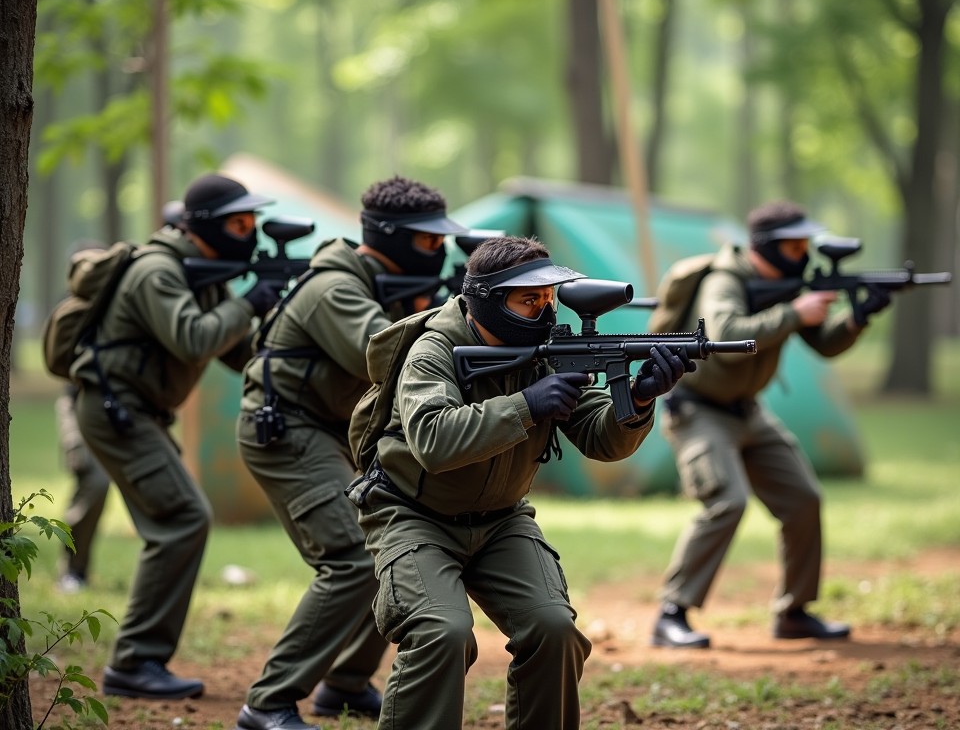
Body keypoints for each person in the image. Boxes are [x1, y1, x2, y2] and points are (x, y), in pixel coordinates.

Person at [345, 235, 696, 730]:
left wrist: (638, 400)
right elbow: (433, 440)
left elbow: (601, 441)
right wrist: (527, 404)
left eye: (549, 298)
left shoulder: (545, 352)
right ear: (488, 300)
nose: (545, 310)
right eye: (529, 299)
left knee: (554, 630)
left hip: (502, 521)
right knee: (442, 631)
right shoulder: (433, 349)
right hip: (412, 515)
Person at [233, 175, 467, 730]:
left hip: (335, 431)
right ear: (391, 237)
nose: (438, 251)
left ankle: (345, 681)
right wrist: (458, 310)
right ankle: (267, 703)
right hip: (288, 431)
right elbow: (389, 357)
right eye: (429, 240)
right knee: (352, 559)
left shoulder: (378, 283)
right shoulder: (335, 288)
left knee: (389, 549)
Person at [73, 173, 287, 699]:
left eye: (253, 222)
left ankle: (140, 659)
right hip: (116, 411)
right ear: (206, 227)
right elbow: (193, 338)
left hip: (140, 413)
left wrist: (279, 318)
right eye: (239, 224)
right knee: (183, 517)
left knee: (180, 518)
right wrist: (247, 302)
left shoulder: (204, 275)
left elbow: (236, 352)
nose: (250, 233)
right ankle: (135, 662)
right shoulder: (158, 271)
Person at [651, 200, 892, 649]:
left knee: (803, 499)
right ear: (766, 246)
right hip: (699, 410)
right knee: (726, 501)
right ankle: (671, 614)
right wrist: (795, 312)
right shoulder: (726, 279)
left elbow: (824, 344)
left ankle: (794, 613)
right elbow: (724, 335)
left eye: (805, 245)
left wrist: (858, 318)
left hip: (749, 410)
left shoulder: (784, 285)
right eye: (794, 245)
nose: (803, 254)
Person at [55, 380, 111, 593]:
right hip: (87, 416)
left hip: (135, 418)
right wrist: (73, 440)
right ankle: (73, 569)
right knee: (96, 482)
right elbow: (69, 395)